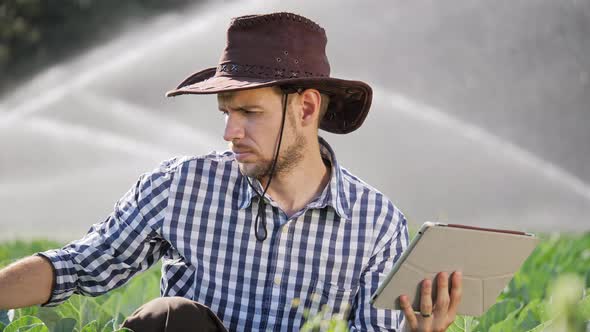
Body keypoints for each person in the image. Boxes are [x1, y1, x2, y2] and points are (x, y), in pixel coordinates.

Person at [0, 12, 462, 331]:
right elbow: (77, 266)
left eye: (248, 112)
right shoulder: (180, 186)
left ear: (305, 107)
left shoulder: (377, 223)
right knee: (172, 317)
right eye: (225, 112)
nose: (229, 132)